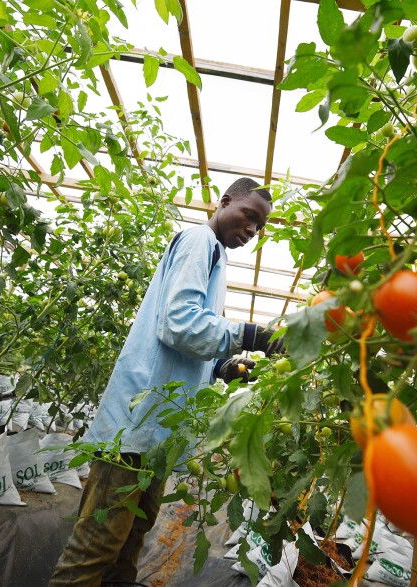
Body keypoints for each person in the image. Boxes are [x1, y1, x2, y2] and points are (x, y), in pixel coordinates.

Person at [49, 177, 284, 586]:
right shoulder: (199, 241)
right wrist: (253, 336)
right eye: (249, 216)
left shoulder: (215, 256)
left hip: (156, 434)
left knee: (129, 545)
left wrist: (220, 368)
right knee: (95, 548)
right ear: (225, 201)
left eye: (259, 227)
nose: (251, 230)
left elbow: (182, 343)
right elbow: (179, 324)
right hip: (134, 429)